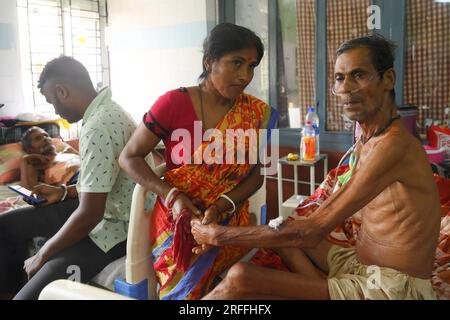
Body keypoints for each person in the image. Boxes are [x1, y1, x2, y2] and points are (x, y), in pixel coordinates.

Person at [191, 34, 441, 300]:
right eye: (339, 78)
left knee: (241, 277)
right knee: (283, 226)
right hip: (363, 266)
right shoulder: (368, 138)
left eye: (358, 75)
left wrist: (219, 235)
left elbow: (310, 232)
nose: (346, 88)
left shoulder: (395, 145)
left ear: (388, 79)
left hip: (395, 288)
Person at [119, 23, 278, 300]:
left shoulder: (256, 113)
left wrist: (221, 206)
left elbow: (257, 175)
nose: (245, 75)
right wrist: (173, 195)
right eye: (236, 63)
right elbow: (128, 157)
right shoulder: (172, 104)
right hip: (177, 224)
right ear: (209, 62)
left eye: (251, 66)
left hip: (227, 222)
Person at [0, 56, 145, 300]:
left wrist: (43, 253)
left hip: (114, 228)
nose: (54, 110)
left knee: (33, 291)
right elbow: (103, 180)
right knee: (5, 225)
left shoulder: (98, 126)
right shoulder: (107, 111)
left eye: (51, 101)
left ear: (62, 91)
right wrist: (64, 192)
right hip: (103, 209)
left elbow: (91, 214)